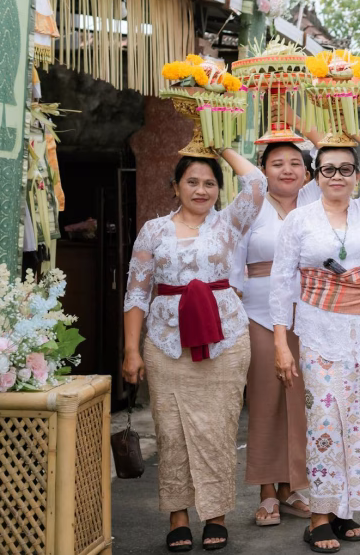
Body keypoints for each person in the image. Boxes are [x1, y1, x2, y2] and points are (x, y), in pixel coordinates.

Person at [270, 131, 360, 553]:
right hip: (317, 331)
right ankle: (319, 514)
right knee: (326, 423)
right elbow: (281, 283)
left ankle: (345, 508)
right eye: (328, 169)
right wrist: (282, 343)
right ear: (315, 176)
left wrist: (357, 136)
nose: (337, 176)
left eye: (346, 169)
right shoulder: (300, 219)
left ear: (356, 176)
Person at [122, 147, 266, 552]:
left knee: (219, 430)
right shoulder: (153, 230)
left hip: (225, 340)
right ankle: (178, 516)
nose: (201, 190)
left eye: (209, 183)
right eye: (192, 182)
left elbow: (257, 182)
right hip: (167, 345)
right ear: (175, 187)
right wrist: (131, 351)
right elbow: (136, 293)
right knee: (171, 434)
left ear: (218, 190)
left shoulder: (228, 225)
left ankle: (215, 516)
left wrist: (217, 143)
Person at [230, 137, 321, 527]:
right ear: (263, 171)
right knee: (266, 400)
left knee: (302, 402)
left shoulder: (317, 203)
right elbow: (234, 260)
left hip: (312, 314)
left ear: (307, 172)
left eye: (295, 163)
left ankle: (292, 487)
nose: (287, 170)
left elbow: (332, 151)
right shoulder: (250, 207)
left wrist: (301, 123)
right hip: (259, 313)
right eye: (277, 163)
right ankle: (267, 490)